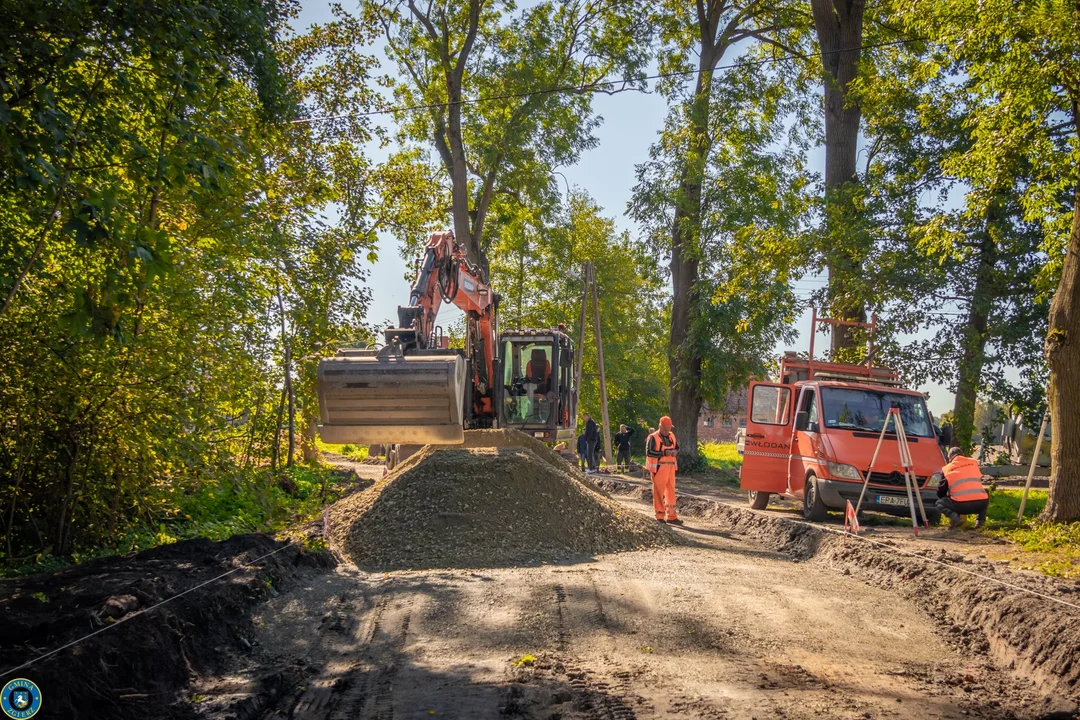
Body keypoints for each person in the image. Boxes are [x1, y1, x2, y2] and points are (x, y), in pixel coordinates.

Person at [937, 447, 990, 528]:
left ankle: (955, 519)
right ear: (962, 454)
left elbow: (941, 491)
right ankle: (980, 521)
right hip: (980, 504)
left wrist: (946, 496)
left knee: (939, 503)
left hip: (960, 506)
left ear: (950, 457)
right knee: (985, 493)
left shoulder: (947, 468)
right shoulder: (973, 462)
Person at [646, 416, 682, 525]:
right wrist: (664, 453)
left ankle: (671, 516)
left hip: (671, 468)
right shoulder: (653, 437)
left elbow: (677, 447)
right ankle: (660, 516)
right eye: (665, 429)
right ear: (660, 426)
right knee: (659, 492)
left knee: (671, 492)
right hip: (658, 468)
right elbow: (649, 452)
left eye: (669, 429)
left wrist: (676, 452)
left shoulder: (672, 436)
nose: (667, 431)